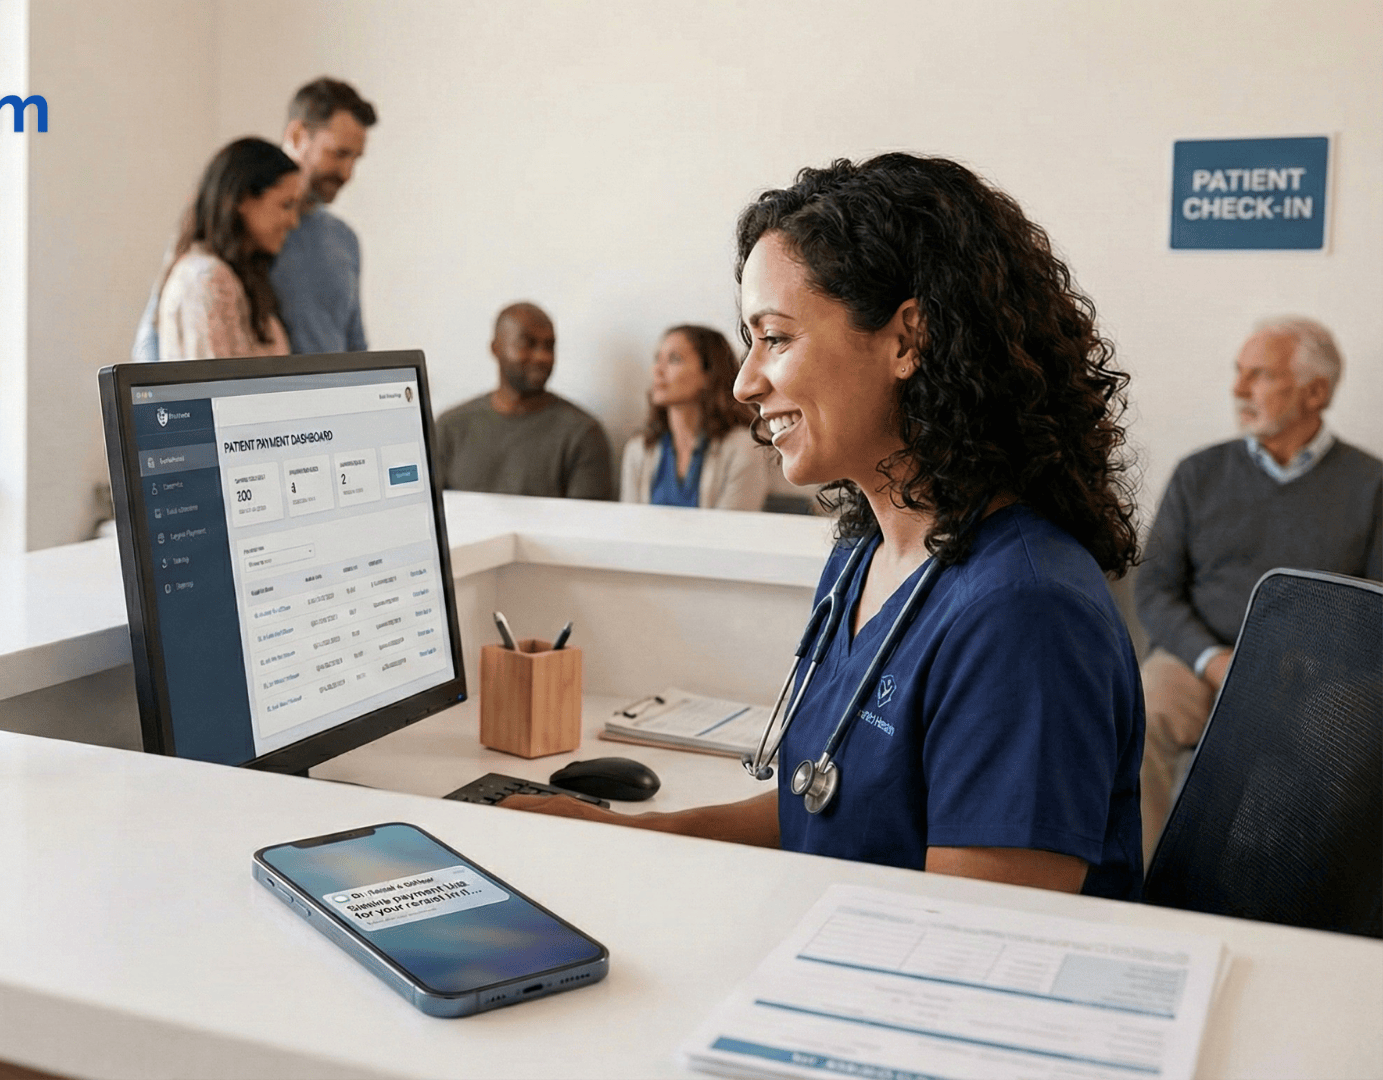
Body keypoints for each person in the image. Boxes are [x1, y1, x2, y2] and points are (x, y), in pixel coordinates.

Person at [505, 154, 1148, 899]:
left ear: (907, 340)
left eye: (774, 338)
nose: (745, 381)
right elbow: (824, 808)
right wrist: (625, 836)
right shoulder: (867, 555)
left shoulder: (1022, 616)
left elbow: (976, 952)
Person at [1133, 317, 1383, 860]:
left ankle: (1315, 914)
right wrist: (1213, 660)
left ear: (1316, 391)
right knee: (1143, 711)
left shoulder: (1371, 485)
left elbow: (1375, 611)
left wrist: (1315, 670)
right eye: (1239, 373)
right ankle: (1141, 892)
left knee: (1355, 739)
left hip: (1322, 674)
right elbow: (1153, 590)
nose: (1239, 390)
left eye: (1261, 375)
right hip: (1201, 661)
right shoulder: (1199, 473)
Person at [134, 78, 376, 361]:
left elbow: (356, 347)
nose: (347, 173)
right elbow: (155, 338)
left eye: (356, 159)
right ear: (297, 135)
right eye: (339, 154)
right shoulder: (219, 255)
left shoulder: (343, 240)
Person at [435, 303, 615, 500]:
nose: (542, 357)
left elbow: (588, 526)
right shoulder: (450, 427)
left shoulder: (583, 434)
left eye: (549, 346)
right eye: (527, 344)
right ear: (495, 348)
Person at [154, 138, 304, 359]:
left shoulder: (239, 278)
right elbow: (217, 390)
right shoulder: (206, 278)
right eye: (285, 205)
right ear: (242, 199)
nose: (294, 221)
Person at [619, 325, 782, 510]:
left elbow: (732, 532)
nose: (658, 370)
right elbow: (630, 528)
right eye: (657, 359)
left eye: (674, 359)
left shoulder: (742, 448)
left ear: (709, 375)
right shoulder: (639, 448)